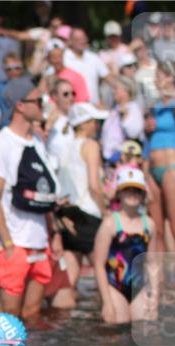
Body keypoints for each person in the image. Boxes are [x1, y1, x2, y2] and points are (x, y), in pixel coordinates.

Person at [0, 77, 57, 321]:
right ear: (20, 106)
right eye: (37, 100)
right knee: (9, 320)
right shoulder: (0, 144)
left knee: (32, 315)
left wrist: (53, 235)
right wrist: (8, 245)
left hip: (39, 242)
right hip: (13, 243)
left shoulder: (36, 141)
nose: (42, 104)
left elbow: (44, 192)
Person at [53, 103, 109, 310]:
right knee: (104, 275)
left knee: (68, 281)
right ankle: (111, 321)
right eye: (94, 121)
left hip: (67, 215)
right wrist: (106, 213)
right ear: (84, 124)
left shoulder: (62, 145)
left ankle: (59, 325)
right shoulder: (91, 146)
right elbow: (94, 186)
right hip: (88, 215)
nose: (97, 125)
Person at [92, 167, 155, 324]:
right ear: (119, 193)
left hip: (139, 287)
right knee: (118, 326)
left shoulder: (150, 225)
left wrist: (154, 297)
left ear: (143, 195)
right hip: (114, 286)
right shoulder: (110, 224)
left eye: (137, 190)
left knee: (144, 325)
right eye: (127, 189)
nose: (132, 194)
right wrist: (106, 302)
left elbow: (153, 264)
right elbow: (98, 265)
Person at [144, 62, 175, 256]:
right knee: (157, 229)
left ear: (171, 77)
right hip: (152, 166)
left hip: (171, 165)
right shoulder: (154, 105)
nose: (156, 79)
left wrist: (174, 93)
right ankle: (160, 277)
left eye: (160, 75)